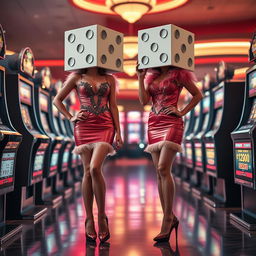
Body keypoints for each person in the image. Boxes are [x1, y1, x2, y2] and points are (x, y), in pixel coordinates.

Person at [53, 67, 123, 243]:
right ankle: (89, 219)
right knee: (87, 171)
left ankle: (102, 216)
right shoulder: (77, 77)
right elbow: (57, 100)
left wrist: (119, 132)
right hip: (83, 127)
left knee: (94, 168)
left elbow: (113, 105)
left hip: (106, 125)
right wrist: (70, 117)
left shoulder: (110, 79)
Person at [137, 64, 203, 243]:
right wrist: (140, 77)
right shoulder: (152, 77)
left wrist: (181, 111)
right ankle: (170, 216)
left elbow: (198, 95)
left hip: (172, 122)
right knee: (159, 173)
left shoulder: (179, 74)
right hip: (153, 123)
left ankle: (167, 218)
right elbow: (144, 101)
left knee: (163, 168)